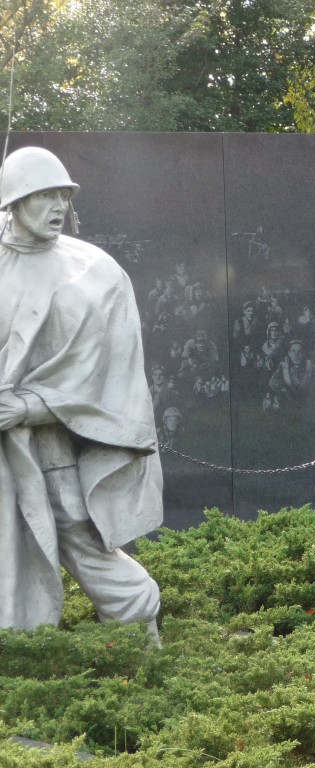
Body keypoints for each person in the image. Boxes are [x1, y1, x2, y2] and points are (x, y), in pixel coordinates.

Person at [0, 147, 162, 635]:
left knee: (75, 527)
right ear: (12, 202)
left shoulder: (94, 275)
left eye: (63, 196)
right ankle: (20, 648)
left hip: (50, 440)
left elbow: (108, 373)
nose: (57, 208)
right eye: (43, 195)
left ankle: (140, 627)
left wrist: (29, 407)